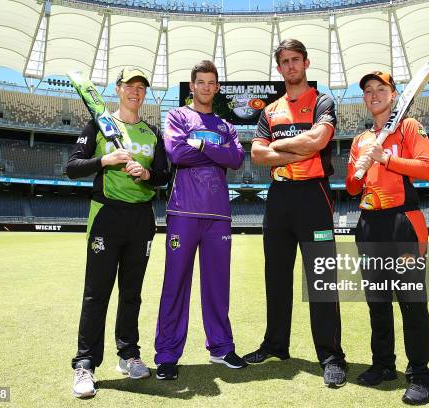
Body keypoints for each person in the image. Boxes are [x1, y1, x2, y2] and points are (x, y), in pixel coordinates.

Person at [243, 39, 347, 388]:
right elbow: (257, 156)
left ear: (306, 62)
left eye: (295, 60)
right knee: (276, 275)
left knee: (321, 278)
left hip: (313, 196)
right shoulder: (270, 111)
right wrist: (292, 148)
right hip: (279, 198)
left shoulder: (322, 100)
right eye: (284, 61)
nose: (290, 66)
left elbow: (317, 141)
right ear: (279, 68)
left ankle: (331, 356)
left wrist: (276, 145)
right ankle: (275, 345)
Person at [67, 67, 169, 398]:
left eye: (141, 87)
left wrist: (147, 173)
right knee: (96, 294)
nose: (135, 92)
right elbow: (72, 168)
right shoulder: (98, 124)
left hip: (141, 219)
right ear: (118, 89)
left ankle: (128, 355)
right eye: (130, 86)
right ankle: (85, 363)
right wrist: (105, 160)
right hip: (107, 217)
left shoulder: (153, 132)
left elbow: (165, 174)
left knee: (131, 293)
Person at [345, 71, 429, 405]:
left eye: (381, 89)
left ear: (394, 95)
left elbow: (428, 169)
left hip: (403, 223)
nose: (373, 94)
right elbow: (353, 187)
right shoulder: (359, 140)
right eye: (368, 91)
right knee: (377, 302)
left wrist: (386, 158)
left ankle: (420, 375)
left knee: (412, 302)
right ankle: (383, 365)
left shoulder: (409, 128)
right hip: (369, 223)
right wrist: (359, 168)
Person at [154, 60, 247, 380]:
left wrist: (203, 144)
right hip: (183, 212)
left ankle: (221, 347)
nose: (207, 87)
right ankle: (167, 354)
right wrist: (216, 150)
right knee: (175, 285)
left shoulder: (226, 126)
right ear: (191, 86)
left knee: (218, 286)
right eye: (201, 82)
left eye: (212, 82)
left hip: (218, 215)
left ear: (217, 87)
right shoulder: (178, 116)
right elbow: (176, 154)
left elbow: (235, 159)